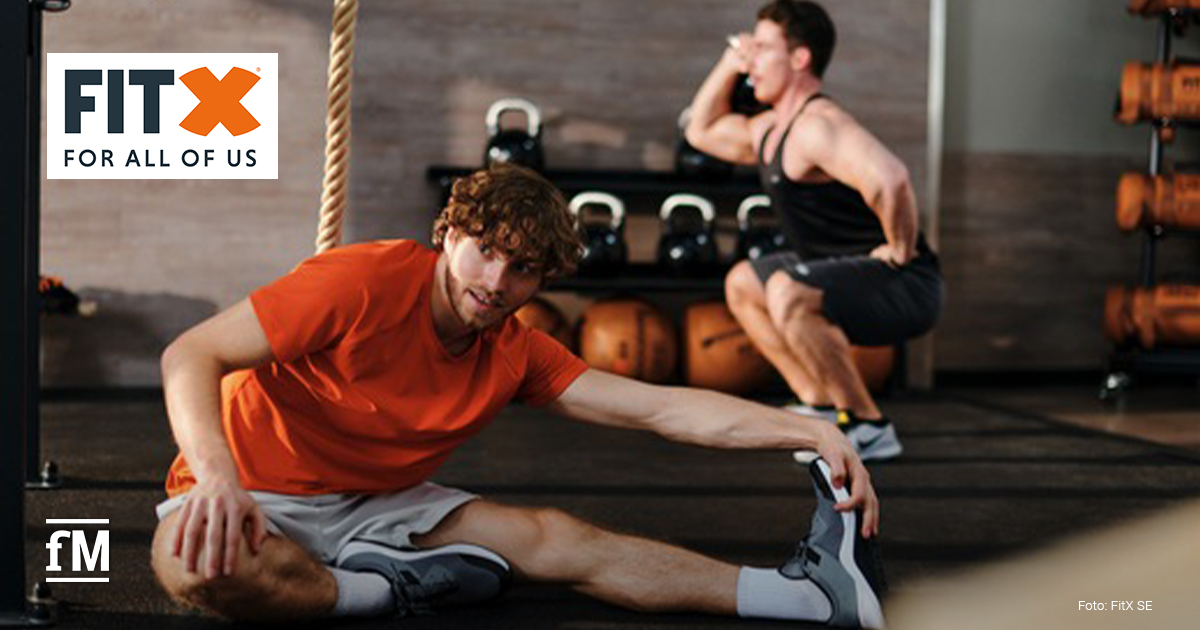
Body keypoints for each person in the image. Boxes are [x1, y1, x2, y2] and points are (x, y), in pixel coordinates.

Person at [149, 165, 885, 628]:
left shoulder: (515, 349)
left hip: (373, 504)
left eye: (524, 269)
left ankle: (804, 598)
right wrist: (217, 482)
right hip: (245, 485)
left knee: (560, 540)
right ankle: (378, 591)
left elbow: (660, 408)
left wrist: (810, 429)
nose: (496, 282)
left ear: (543, 280)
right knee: (193, 569)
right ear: (450, 234)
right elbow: (192, 352)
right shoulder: (362, 280)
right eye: (486, 250)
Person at [686, 0, 944, 462]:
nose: (752, 59)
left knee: (786, 289)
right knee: (744, 282)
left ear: (800, 58)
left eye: (763, 47)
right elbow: (700, 132)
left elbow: (892, 178)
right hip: (836, 269)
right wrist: (730, 62)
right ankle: (822, 408)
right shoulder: (768, 129)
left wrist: (901, 251)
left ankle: (869, 424)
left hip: (906, 280)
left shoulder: (818, 127)